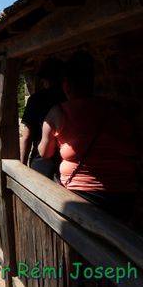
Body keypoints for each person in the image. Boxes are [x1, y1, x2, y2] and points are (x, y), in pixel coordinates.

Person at [38, 51, 138, 222]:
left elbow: (44, 153)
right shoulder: (114, 108)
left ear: (66, 83)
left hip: (81, 193)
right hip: (124, 191)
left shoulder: (58, 112)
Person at [20, 58, 65, 178]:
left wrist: (22, 165)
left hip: (42, 162)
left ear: (44, 79)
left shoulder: (36, 99)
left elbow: (27, 136)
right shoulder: (68, 98)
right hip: (65, 161)